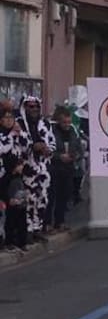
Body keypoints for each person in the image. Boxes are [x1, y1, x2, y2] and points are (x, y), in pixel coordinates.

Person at [18, 95, 55, 240]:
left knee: (42, 198)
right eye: (31, 106)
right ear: (24, 107)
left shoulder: (45, 123)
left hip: (43, 167)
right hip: (27, 167)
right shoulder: (19, 123)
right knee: (28, 199)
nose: (34, 109)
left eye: (37, 107)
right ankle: (27, 230)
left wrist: (48, 150)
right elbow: (16, 144)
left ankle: (37, 228)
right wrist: (32, 146)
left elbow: (52, 142)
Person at [1, 104, 31, 252]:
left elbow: (26, 149)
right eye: (5, 118)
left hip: (18, 177)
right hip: (5, 177)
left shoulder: (18, 134)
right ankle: (8, 241)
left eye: (11, 117)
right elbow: (3, 148)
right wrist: (12, 135)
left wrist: (20, 134)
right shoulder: (3, 135)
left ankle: (21, 240)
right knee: (10, 209)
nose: (9, 120)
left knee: (21, 208)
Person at [48, 104, 82, 233]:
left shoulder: (73, 131)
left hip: (68, 168)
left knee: (64, 196)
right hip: (54, 168)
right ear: (58, 121)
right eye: (64, 122)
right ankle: (48, 223)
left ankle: (60, 221)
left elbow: (79, 148)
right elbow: (49, 149)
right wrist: (59, 156)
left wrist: (75, 156)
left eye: (69, 122)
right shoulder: (51, 131)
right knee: (51, 196)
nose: (67, 125)